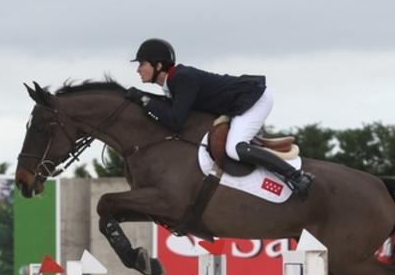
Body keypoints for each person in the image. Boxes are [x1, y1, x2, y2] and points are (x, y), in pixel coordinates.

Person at [125, 38, 314, 198]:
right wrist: (143, 98)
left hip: (254, 98)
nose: (138, 70)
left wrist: (143, 99)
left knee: (234, 148)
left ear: (158, 65)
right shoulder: (173, 83)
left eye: (142, 64)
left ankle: (297, 177)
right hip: (239, 103)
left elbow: (176, 121)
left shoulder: (183, 78)